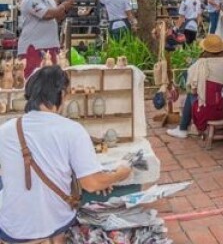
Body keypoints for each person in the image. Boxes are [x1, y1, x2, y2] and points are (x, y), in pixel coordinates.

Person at [0, 66, 131, 243]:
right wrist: (121, 173)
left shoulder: (6, 129)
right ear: (61, 94)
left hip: (11, 228)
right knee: (68, 197)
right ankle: (51, 238)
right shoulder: (72, 130)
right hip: (54, 222)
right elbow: (92, 184)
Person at [167, 35, 223, 139]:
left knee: (190, 94)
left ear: (205, 49)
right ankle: (183, 128)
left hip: (206, 111)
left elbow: (192, 90)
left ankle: (183, 129)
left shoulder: (199, 65)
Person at [18, 0, 74, 80]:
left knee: (52, 81)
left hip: (52, 45)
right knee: (33, 80)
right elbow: (47, 15)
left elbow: (57, 18)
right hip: (33, 46)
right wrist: (63, 6)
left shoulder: (50, 0)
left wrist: (66, 9)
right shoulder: (29, 0)